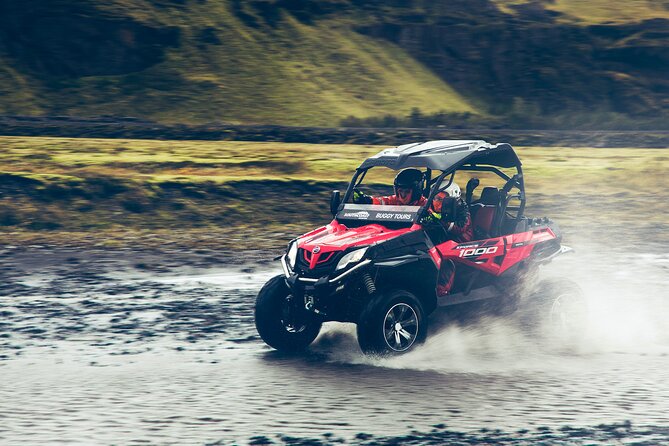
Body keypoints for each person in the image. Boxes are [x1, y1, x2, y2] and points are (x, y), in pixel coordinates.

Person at [422, 182, 473, 296]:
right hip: (438, 243)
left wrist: (440, 222)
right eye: (434, 198)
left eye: (440, 199)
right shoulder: (429, 209)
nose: (436, 202)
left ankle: (442, 292)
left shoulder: (462, 211)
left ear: (451, 201)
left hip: (460, 248)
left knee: (445, 261)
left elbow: (459, 227)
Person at [352, 168, 427, 206]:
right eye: (400, 191)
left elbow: (435, 213)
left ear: (416, 192)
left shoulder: (425, 205)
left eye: (407, 192)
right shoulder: (393, 201)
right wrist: (365, 200)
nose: (403, 195)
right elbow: (380, 201)